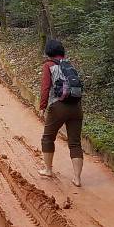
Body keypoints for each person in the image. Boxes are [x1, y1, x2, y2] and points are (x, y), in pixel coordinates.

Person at [39, 39, 84, 187]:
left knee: (48, 138)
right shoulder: (69, 65)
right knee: (75, 143)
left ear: (48, 52)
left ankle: (48, 170)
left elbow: (45, 87)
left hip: (58, 106)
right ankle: (77, 178)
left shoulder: (48, 66)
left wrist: (42, 106)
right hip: (76, 107)